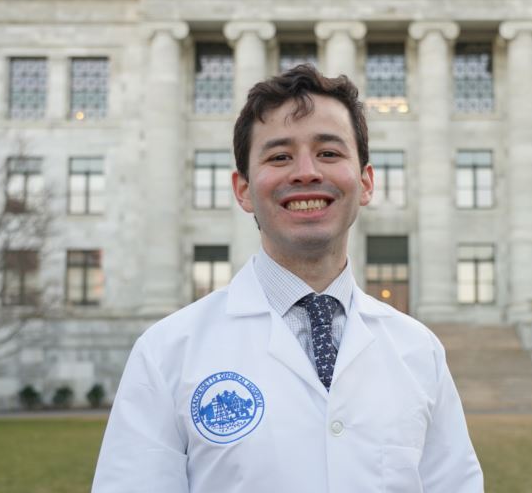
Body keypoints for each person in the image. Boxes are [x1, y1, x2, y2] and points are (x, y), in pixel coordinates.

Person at [92, 64, 483, 493]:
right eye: (279, 156)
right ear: (243, 190)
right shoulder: (166, 353)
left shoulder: (419, 352)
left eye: (329, 153)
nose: (306, 172)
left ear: (366, 183)